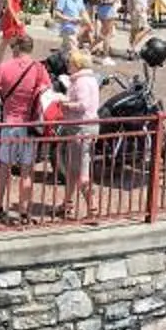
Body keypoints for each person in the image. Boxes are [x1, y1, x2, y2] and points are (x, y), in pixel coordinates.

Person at [0, 35, 52, 223]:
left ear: (18, 48)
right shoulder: (39, 68)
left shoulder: (5, 67)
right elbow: (47, 90)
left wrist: (3, 93)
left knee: (4, 168)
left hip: (9, 124)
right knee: (26, 171)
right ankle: (23, 212)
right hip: (29, 125)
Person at [61, 48, 103, 219]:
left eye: (70, 63)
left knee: (80, 171)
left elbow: (83, 104)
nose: (68, 65)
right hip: (86, 126)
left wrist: (65, 104)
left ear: (77, 65)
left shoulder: (81, 82)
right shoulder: (90, 79)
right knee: (73, 168)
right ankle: (67, 203)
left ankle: (93, 208)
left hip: (81, 127)